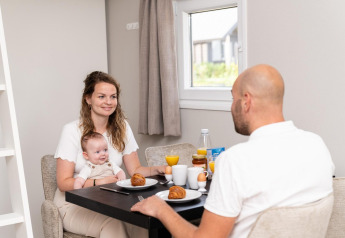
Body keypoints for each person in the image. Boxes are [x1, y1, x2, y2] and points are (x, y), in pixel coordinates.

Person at [131, 64, 335, 238]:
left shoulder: (235, 160)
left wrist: (161, 208)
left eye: (233, 99)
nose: (231, 107)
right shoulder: (316, 144)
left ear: (246, 101)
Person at [54, 71, 166, 238]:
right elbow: (63, 183)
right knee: (113, 226)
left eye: (113, 97)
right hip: (73, 206)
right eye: (101, 96)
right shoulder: (71, 131)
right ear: (88, 99)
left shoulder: (122, 128)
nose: (108, 102)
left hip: (109, 202)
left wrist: (159, 169)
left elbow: (135, 169)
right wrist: (100, 182)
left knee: (142, 223)